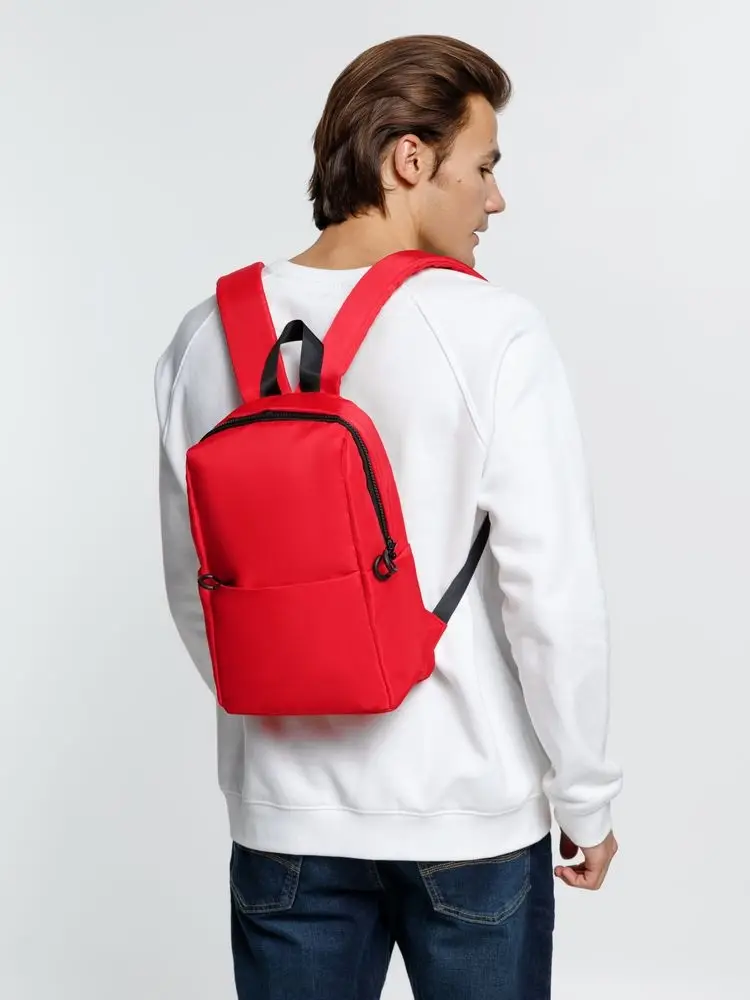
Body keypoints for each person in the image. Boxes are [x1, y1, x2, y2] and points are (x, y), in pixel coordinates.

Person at [154, 33, 623, 1000]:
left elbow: (195, 587)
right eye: (483, 166)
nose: (495, 198)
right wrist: (585, 794)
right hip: (469, 813)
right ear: (410, 159)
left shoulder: (203, 338)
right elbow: (552, 596)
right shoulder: (494, 331)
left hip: (283, 819)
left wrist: (291, 712)